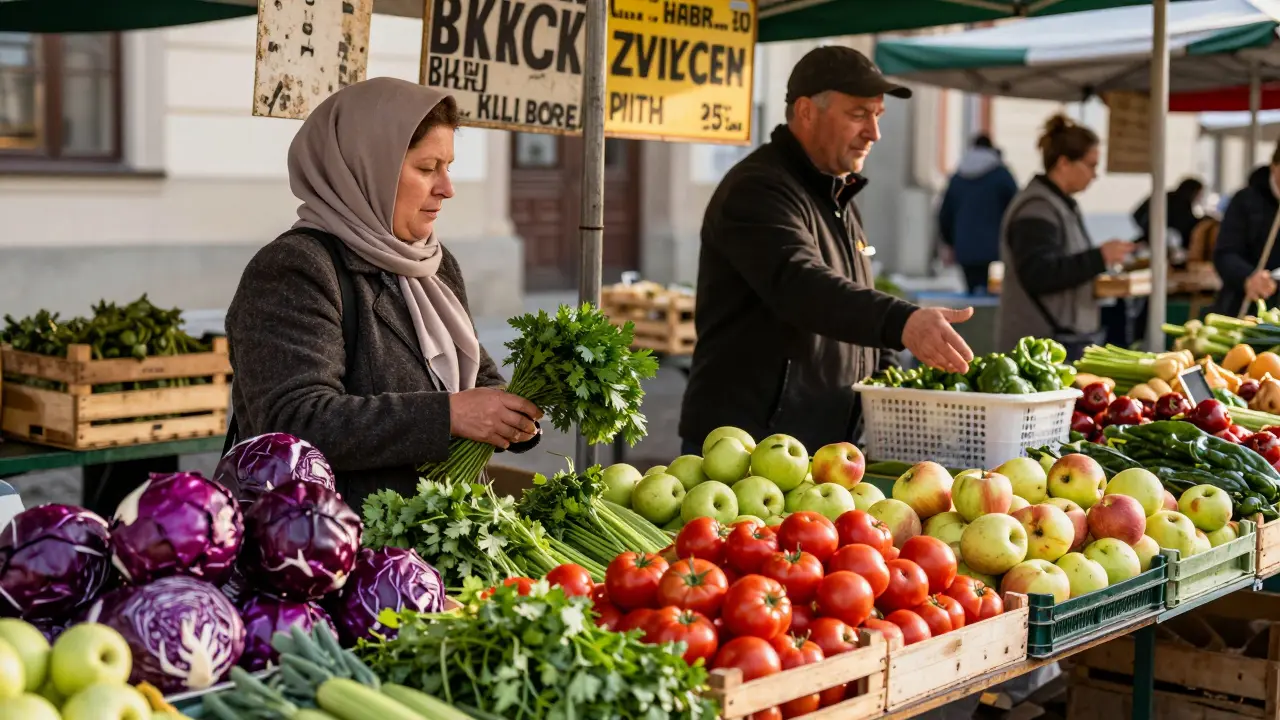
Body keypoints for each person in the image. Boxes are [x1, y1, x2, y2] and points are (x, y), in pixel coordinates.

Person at [224, 77, 542, 505]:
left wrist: (511, 414)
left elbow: (476, 377)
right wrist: (450, 416)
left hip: (446, 534)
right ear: (367, 168)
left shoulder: (435, 265)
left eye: (448, 167)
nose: (446, 188)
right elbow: (294, 422)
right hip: (338, 546)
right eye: (427, 169)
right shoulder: (296, 270)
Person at [679, 46, 976, 455]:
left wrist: (887, 377)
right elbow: (801, 285)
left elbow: (850, 298)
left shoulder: (838, 195)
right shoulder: (757, 189)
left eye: (878, 116)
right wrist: (902, 321)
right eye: (858, 114)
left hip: (821, 447)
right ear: (805, 111)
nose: (874, 133)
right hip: (747, 447)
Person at [996, 115, 1134, 358]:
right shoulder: (1037, 208)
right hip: (1041, 347)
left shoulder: (1059, 204)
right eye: (1090, 165)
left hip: (1059, 340)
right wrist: (1100, 257)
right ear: (1063, 163)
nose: (1094, 175)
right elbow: (1040, 273)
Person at [938, 134, 1019, 294]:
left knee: (972, 295)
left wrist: (950, 242)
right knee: (994, 298)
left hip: (965, 248)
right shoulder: (1001, 175)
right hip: (996, 249)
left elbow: (944, 214)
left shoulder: (957, 178)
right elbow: (1017, 209)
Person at [1214, 145, 1280, 315]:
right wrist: (1248, 277)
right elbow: (1225, 253)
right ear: (1274, 165)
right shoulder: (1245, 201)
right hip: (1244, 307)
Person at [1132, 177, 1205, 248]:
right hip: (1168, 244)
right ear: (1194, 192)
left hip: (1150, 239)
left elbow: (1137, 214)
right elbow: (1187, 229)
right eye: (1200, 194)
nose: (1201, 197)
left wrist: (1149, 231)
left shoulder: (1162, 196)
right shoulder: (1183, 205)